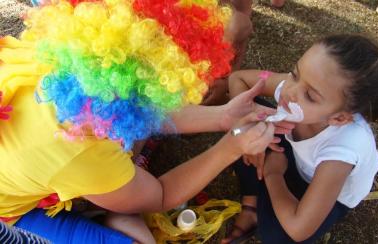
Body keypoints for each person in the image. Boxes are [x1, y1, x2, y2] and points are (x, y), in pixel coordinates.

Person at [0, 54, 294, 244]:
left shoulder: (66, 59)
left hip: (47, 163)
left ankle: (111, 195)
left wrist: (223, 117)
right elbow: (161, 195)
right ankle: (113, 207)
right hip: (13, 213)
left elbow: (141, 111)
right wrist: (230, 147)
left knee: (131, 130)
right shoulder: (77, 149)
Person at [223, 34, 378, 243]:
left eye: (311, 96)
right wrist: (251, 128)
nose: (289, 92)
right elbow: (238, 79)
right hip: (292, 156)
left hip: (327, 187)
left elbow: (299, 228)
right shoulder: (294, 90)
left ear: (339, 118)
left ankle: (261, 195)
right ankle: (251, 205)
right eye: (295, 74)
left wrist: (273, 173)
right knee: (238, 136)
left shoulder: (343, 149)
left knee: (279, 236)